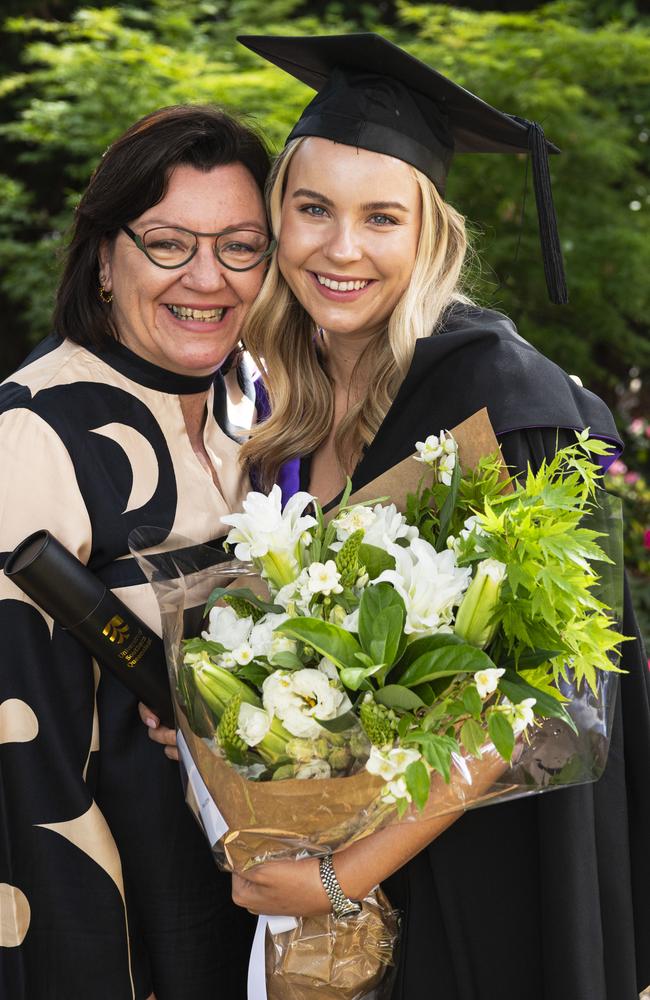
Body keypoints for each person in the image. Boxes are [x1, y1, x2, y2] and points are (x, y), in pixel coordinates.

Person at [224, 34, 648, 1000]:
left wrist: (344, 876)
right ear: (276, 218)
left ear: (431, 237)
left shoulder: (504, 401)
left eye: (382, 217)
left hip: (485, 881)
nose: (341, 248)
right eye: (313, 209)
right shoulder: (286, 407)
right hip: (324, 886)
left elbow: (561, 705)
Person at [0, 104, 272, 999]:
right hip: (128, 938)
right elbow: (21, 763)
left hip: (259, 907)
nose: (209, 276)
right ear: (104, 259)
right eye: (167, 243)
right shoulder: (33, 430)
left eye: (241, 245)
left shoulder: (255, 419)